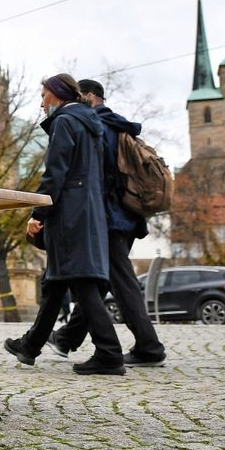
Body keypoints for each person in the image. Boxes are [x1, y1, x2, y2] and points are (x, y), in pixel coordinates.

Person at [4, 74, 125, 375]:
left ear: (57, 96)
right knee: (57, 280)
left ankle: (110, 352)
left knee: (80, 280)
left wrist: (38, 213)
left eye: (44, 95)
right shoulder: (90, 124)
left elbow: (55, 173)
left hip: (70, 213)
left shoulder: (65, 122)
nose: (41, 102)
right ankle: (30, 345)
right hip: (88, 211)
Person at [46, 79, 166, 367]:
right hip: (127, 215)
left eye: (79, 95)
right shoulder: (117, 124)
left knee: (118, 282)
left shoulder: (97, 125)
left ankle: (149, 348)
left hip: (108, 218)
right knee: (97, 283)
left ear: (89, 96)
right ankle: (66, 339)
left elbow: (92, 176)